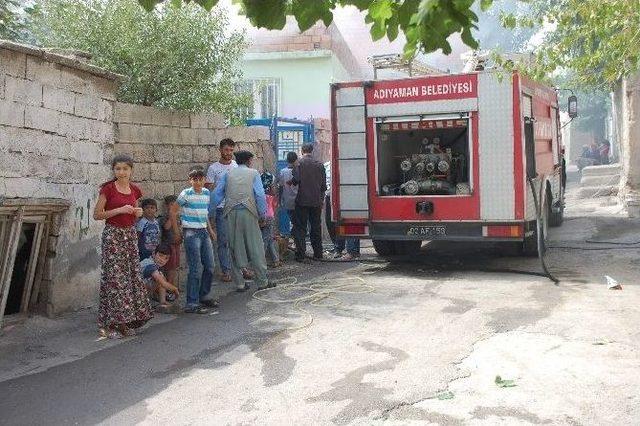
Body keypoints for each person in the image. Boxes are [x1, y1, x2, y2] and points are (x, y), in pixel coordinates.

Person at [93, 154, 153, 339]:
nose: (121, 172)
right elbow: (97, 215)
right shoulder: (108, 189)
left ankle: (126, 322)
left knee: (130, 278)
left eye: (125, 169)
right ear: (114, 170)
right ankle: (110, 323)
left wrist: (138, 212)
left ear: (131, 170)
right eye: (117, 168)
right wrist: (119, 210)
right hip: (113, 236)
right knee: (114, 280)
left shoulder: (135, 190)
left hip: (129, 235)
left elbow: (135, 213)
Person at [212, 150, 274, 292]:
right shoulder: (253, 174)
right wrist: (263, 214)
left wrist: (210, 212)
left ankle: (239, 283)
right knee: (255, 246)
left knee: (234, 247)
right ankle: (262, 281)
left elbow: (217, 194)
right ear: (249, 161)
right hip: (248, 212)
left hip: (230, 213)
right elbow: (259, 195)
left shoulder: (228, 174)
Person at [177, 168, 218, 314]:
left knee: (210, 265)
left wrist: (210, 230)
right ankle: (191, 302)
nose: (198, 182)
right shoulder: (185, 194)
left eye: (201, 179)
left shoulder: (207, 193)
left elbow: (205, 213)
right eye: (195, 179)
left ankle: (204, 295)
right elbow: (174, 210)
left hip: (204, 232)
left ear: (204, 180)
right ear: (190, 180)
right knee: (195, 268)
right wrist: (178, 229)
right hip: (191, 232)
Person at [206, 138, 237, 283]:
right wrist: (210, 214)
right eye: (226, 150)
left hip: (236, 207)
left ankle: (241, 268)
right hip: (221, 209)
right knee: (223, 241)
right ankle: (226, 270)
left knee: (238, 240)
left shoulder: (236, 166)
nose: (229, 153)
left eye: (231, 150)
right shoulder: (213, 168)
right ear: (220, 150)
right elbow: (209, 191)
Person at [291, 143, 326, 261]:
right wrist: (321, 200)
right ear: (312, 151)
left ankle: (301, 254)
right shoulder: (320, 165)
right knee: (316, 227)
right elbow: (323, 186)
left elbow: (296, 180)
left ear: (302, 151)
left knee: (300, 228)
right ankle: (318, 254)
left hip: (302, 201)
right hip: (316, 201)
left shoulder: (299, 164)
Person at [140, 243, 180, 309]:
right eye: (160, 256)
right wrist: (174, 289)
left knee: (161, 276)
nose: (162, 260)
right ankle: (143, 303)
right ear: (154, 254)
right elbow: (162, 283)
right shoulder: (149, 264)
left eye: (166, 258)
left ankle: (162, 302)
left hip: (140, 290)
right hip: (132, 291)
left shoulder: (155, 265)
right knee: (160, 278)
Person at [158, 195, 182, 286]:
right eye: (172, 205)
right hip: (169, 245)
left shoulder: (178, 217)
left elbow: (179, 229)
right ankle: (169, 286)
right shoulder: (164, 217)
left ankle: (174, 285)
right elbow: (167, 227)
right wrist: (172, 216)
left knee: (175, 266)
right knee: (169, 267)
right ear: (167, 206)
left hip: (176, 244)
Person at [260, 173, 281, 268]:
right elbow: (274, 205)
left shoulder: (260, 194)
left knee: (268, 239)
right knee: (267, 239)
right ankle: (263, 261)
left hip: (263, 217)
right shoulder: (271, 194)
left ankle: (274, 260)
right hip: (269, 217)